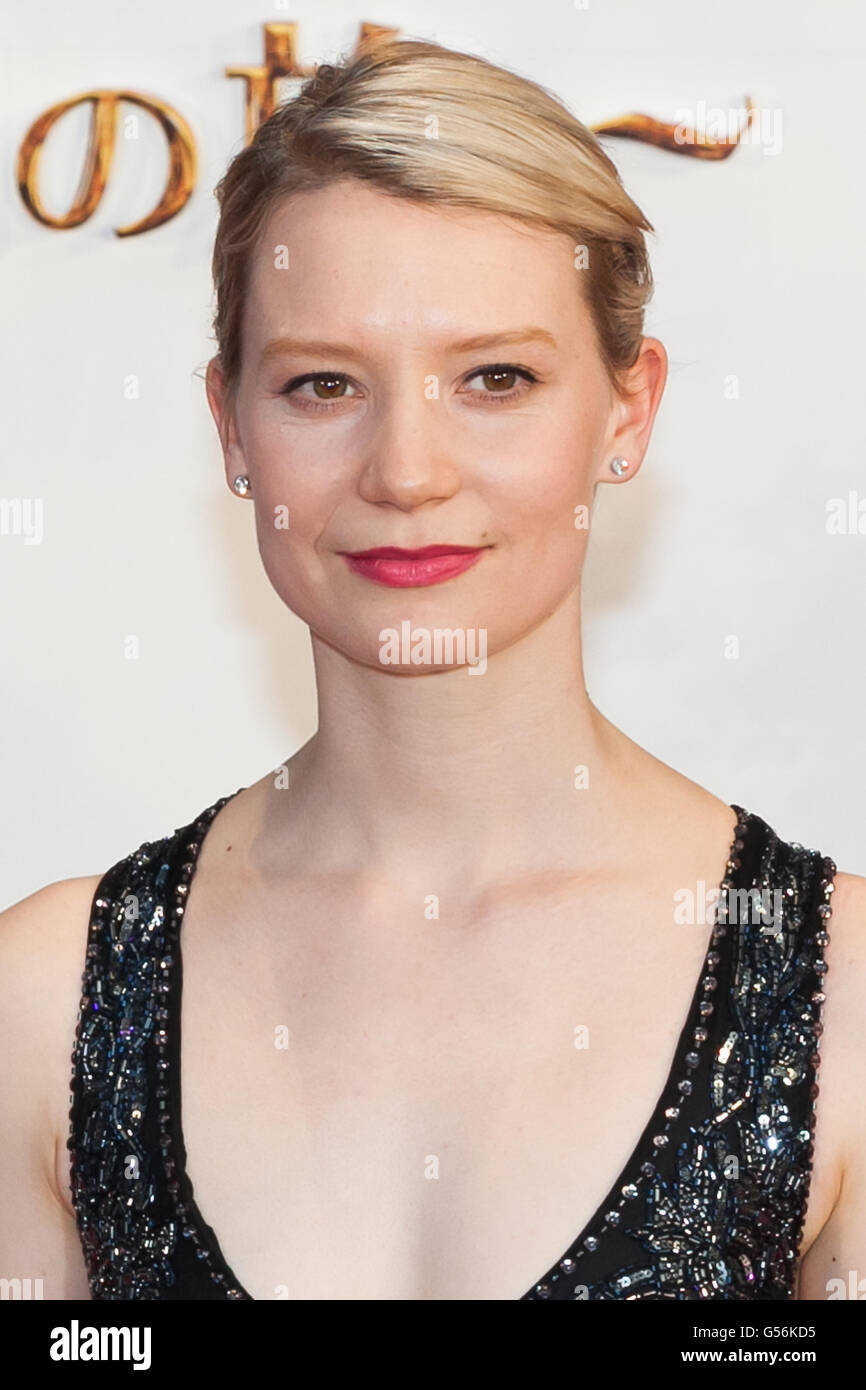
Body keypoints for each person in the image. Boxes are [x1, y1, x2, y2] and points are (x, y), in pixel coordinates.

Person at [1, 37, 863, 1303]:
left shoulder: (843, 999)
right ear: (231, 424)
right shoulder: (45, 999)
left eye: (494, 378)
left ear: (625, 411)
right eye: (322, 384)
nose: (406, 472)